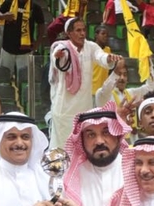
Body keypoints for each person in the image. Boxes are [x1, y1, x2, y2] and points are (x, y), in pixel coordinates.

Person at [61, 103, 129, 206]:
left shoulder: (134, 171)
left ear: (118, 136)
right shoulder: (70, 179)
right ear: (82, 141)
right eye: (91, 135)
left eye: (106, 132)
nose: (99, 141)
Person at [47, 17, 118, 149]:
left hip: (83, 108)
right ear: (69, 33)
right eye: (78, 30)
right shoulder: (62, 47)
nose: (82, 34)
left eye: (84, 30)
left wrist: (108, 58)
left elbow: (100, 56)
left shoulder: (91, 46)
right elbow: (58, 63)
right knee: (61, 146)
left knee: (81, 147)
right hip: (64, 108)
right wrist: (58, 56)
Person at [0, 0, 44, 76]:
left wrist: (38, 42)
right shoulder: (9, 2)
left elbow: (41, 25)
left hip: (25, 50)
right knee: (4, 75)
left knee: (24, 77)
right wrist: (3, 16)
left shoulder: (35, 7)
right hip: (7, 48)